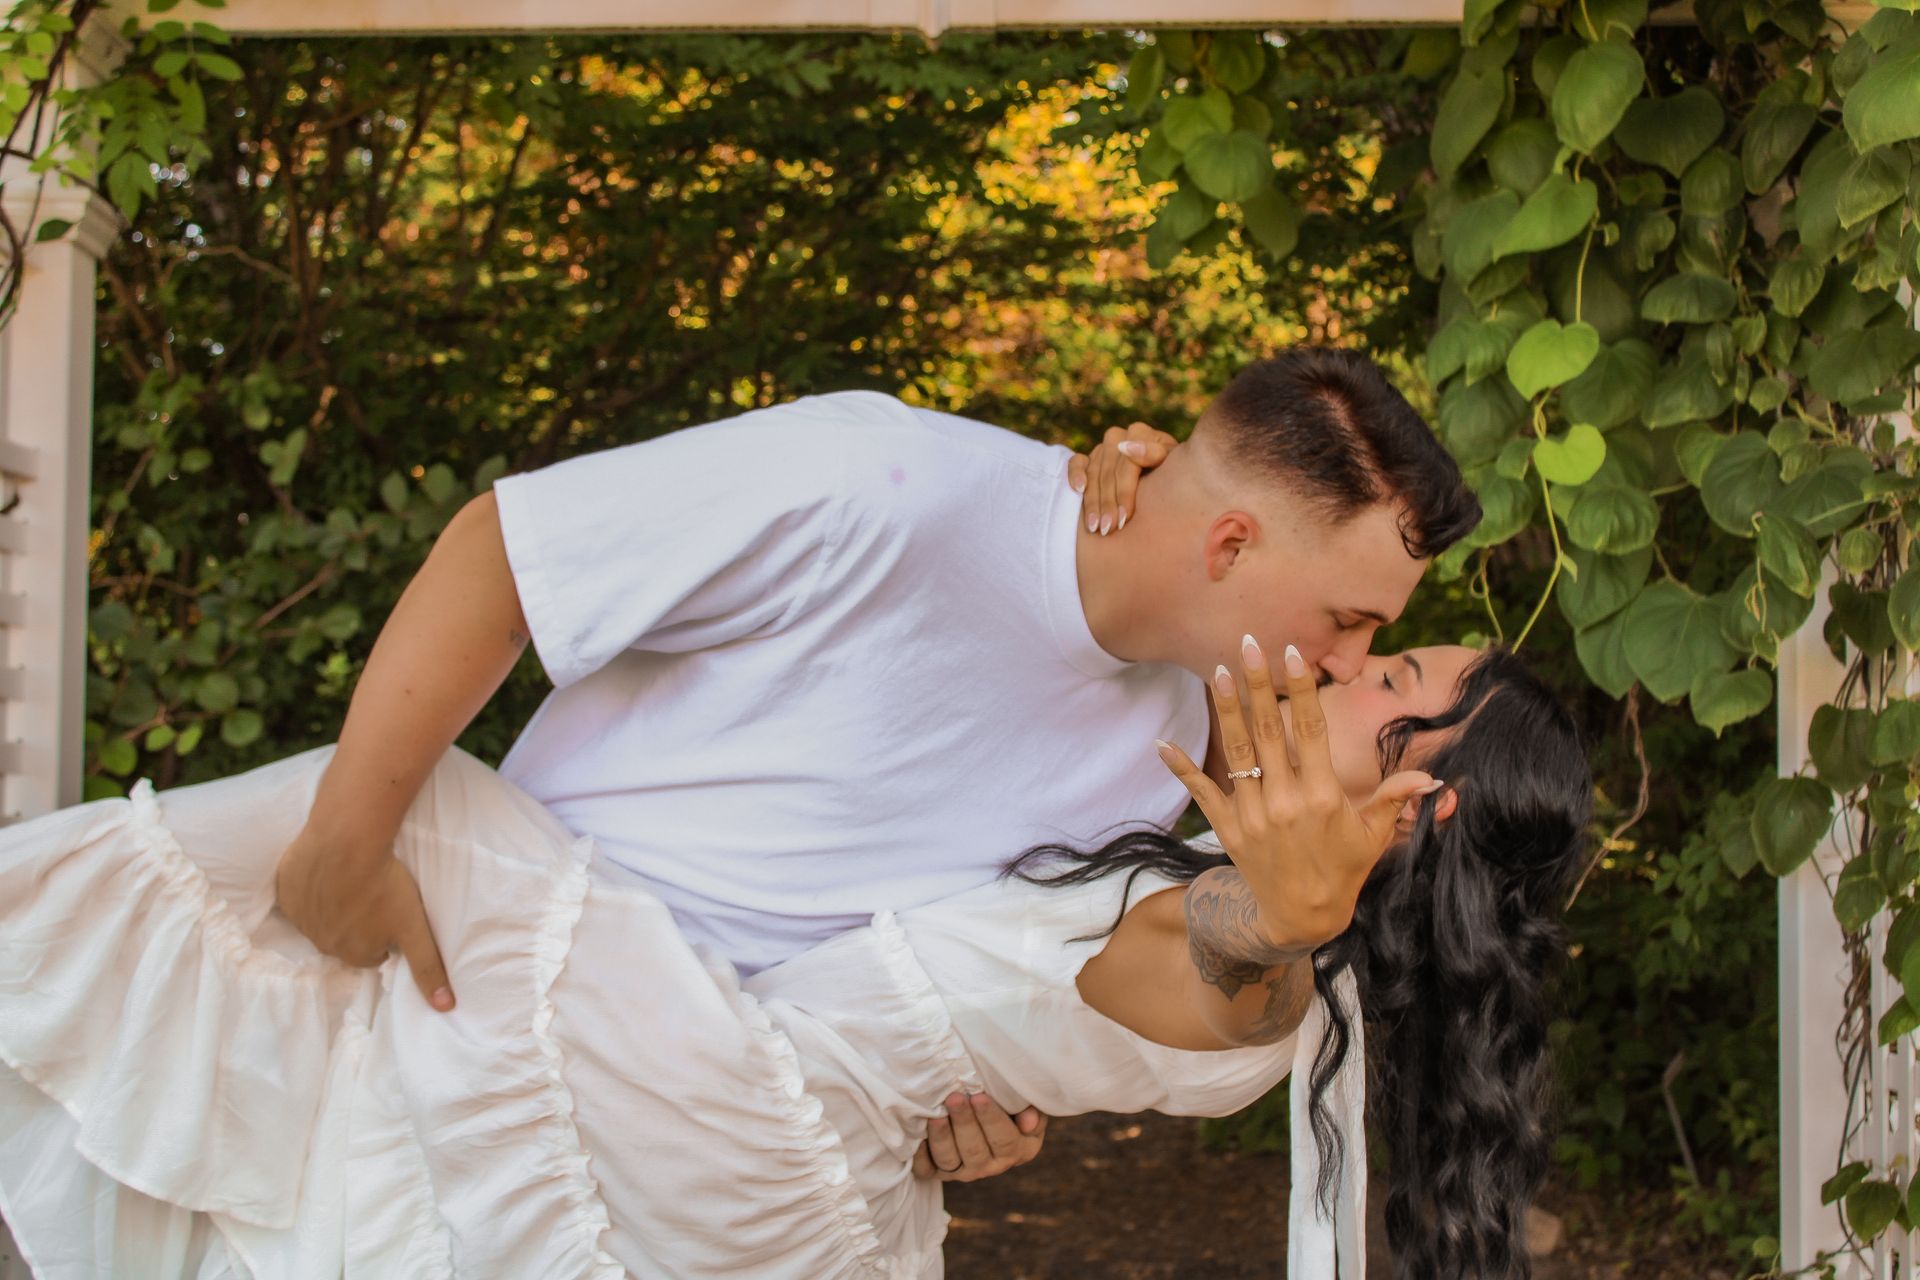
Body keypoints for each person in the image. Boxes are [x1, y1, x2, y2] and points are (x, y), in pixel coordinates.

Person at [0, 631, 1589, 1279]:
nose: (1347, 661)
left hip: (756, 1122)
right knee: (384, 995)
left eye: (1394, 679)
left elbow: (1210, 960)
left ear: (1417, 802)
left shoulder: (1264, 989)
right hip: (799, 1147)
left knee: (419, 826)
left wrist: (1292, 915)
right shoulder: (1180, 826)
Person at [270, 349, 1480, 1177]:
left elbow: (963, 963)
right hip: (460, 1009)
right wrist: (344, 840)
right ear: (1229, 541)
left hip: (678, 1150)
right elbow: (507, 553)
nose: (1343, 660)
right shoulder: (881, 481)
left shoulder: (1174, 748)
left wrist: (949, 1108)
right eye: (1351, 620)